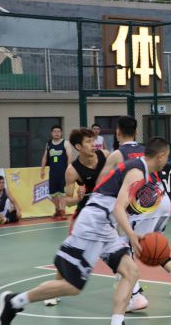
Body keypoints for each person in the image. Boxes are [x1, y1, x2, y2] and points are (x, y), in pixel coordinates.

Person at [0, 137, 171, 325]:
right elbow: (118, 208)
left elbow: (116, 205)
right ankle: (14, 301)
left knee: (131, 272)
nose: (167, 161)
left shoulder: (138, 168)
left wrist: (127, 232)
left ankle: (117, 322)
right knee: (72, 286)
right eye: (167, 157)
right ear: (161, 156)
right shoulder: (137, 173)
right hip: (94, 223)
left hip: (105, 225)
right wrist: (131, 235)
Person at [101, 115, 171, 307]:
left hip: (143, 203)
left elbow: (102, 181)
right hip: (162, 198)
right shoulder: (147, 149)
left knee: (123, 247)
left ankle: (135, 296)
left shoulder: (117, 154)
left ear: (117, 132)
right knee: (154, 246)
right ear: (136, 132)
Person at [42, 127, 109, 307]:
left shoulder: (105, 156)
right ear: (79, 147)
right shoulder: (73, 170)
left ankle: (132, 292)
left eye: (93, 140)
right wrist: (78, 197)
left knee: (121, 252)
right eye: (88, 141)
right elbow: (66, 201)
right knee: (71, 255)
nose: (93, 144)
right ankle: (53, 290)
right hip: (85, 216)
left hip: (107, 214)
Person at [40, 125, 72, 220]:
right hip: (53, 173)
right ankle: (58, 210)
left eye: (58, 131)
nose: (56, 133)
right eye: (55, 131)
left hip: (63, 173)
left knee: (62, 193)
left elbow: (70, 156)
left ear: (61, 133)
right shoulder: (49, 144)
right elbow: (45, 157)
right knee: (53, 194)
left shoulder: (65, 143)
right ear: (51, 133)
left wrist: (69, 169)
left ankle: (63, 211)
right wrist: (42, 169)